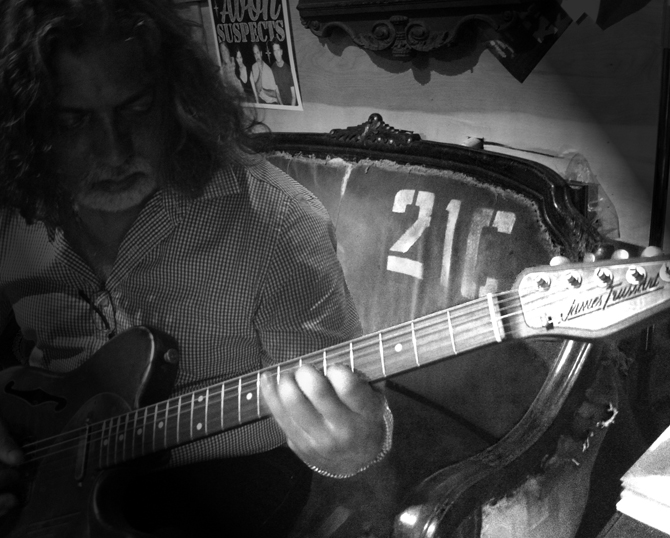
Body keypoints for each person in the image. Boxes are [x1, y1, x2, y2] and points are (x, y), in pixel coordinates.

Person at [0, 0, 390, 536]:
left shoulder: (278, 221)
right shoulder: (11, 206)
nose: (112, 151)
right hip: (40, 464)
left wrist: (355, 447)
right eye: (72, 121)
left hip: (227, 471)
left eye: (137, 108)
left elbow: (341, 403)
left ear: (177, 100)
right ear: (24, 126)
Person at [271, 41, 297, 106]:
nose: (277, 54)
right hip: (281, 104)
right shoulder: (272, 69)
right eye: (275, 51)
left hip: (292, 105)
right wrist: (282, 105)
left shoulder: (289, 70)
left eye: (278, 50)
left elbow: (294, 96)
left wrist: (291, 109)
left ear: (281, 52)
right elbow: (277, 93)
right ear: (273, 53)